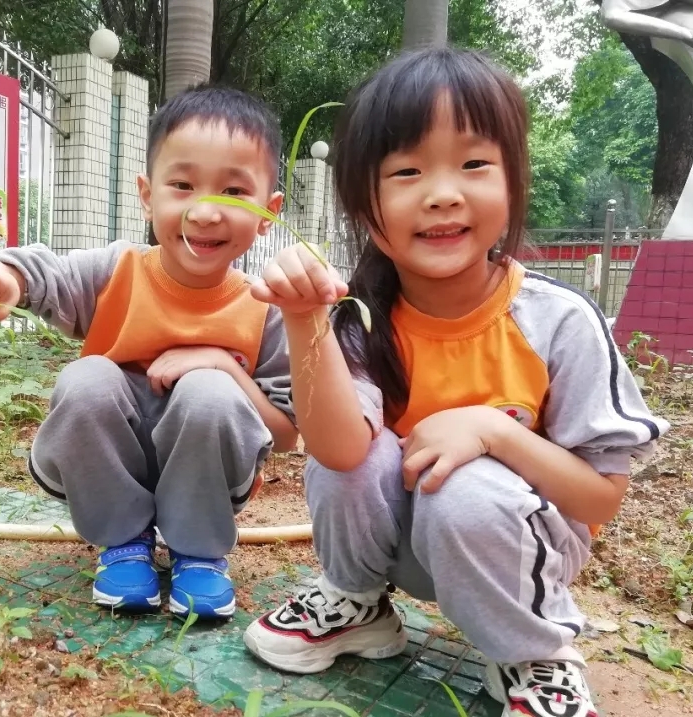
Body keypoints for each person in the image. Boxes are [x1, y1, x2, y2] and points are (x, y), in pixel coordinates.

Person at [242, 47, 670, 717]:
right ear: (365, 204)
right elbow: (339, 454)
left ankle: (534, 651)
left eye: (473, 164)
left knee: (465, 487)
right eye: (407, 171)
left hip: (514, 546)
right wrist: (304, 319)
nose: (442, 193)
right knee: (357, 456)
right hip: (404, 540)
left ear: (513, 180)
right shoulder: (361, 318)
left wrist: (497, 432)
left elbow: (600, 498)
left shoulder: (558, 321)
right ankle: (358, 602)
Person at [0, 85, 298, 620]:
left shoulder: (266, 307)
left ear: (268, 212)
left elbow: (287, 432)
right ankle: (125, 541)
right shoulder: (120, 269)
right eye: (182, 185)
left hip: (208, 479)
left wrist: (224, 366)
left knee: (210, 391)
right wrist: (9, 275)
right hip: (108, 468)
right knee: (87, 377)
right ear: (147, 194)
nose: (205, 212)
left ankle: (198, 552)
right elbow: (51, 275)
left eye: (233, 191)